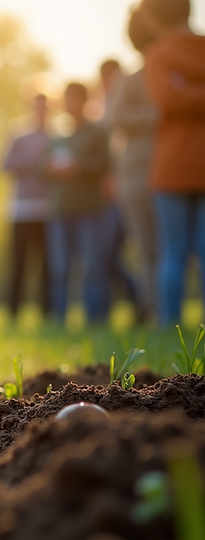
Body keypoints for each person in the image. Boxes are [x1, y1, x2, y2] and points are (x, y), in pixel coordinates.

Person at [138, 0, 205, 325]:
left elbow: (167, 98)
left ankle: (169, 325)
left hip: (172, 165)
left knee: (173, 250)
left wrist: (184, 89)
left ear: (153, 17)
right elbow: (169, 97)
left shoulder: (158, 55)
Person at [108, 9, 162, 326]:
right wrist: (157, 115)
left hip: (158, 171)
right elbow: (114, 119)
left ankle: (160, 312)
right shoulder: (131, 77)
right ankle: (157, 312)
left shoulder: (133, 77)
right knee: (150, 249)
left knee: (156, 249)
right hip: (139, 173)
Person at [44, 83, 110, 325]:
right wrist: (51, 168)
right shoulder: (58, 134)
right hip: (60, 210)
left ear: (83, 101)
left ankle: (95, 319)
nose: (68, 104)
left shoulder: (97, 132)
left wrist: (78, 166)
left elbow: (105, 163)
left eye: (73, 99)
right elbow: (41, 168)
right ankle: (59, 319)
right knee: (59, 269)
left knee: (92, 267)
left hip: (90, 210)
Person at [95, 59, 140, 322]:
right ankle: (135, 304)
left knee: (133, 252)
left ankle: (143, 305)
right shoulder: (102, 108)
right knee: (108, 256)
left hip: (127, 188)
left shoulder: (124, 101)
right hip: (110, 194)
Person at [1, 93, 51, 321]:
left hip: (49, 210)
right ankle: (13, 313)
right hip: (21, 210)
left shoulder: (58, 135)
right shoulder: (18, 134)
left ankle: (47, 313)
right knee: (18, 265)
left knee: (47, 267)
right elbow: (4, 165)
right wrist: (32, 158)